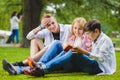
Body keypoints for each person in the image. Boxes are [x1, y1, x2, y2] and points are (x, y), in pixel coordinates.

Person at [22, 19, 116, 76]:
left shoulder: (105, 40)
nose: (87, 36)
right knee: (67, 49)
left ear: (96, 31)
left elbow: (102, 59)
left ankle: (43, 68)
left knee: (73, 53)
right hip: (93, 63)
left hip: (100, 68)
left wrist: (84, 52)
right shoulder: (96, 38)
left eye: (88, 34)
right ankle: (41, 66)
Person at [2, 17, 92, 76]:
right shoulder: (72, 37)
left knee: (57, 46)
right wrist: (41, 26)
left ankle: (29, 65)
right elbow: (29, 36)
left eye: (80, 29)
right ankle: (18, 69)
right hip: (54, 55)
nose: (77, 31)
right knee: (55, 42)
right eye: (75, 28)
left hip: (69, 62)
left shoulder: (85, 37)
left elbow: (89, 52)